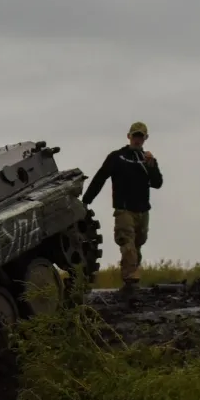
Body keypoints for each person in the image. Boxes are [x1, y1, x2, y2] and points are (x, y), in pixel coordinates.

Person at [81, 121, 163, 291]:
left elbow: (157, 183)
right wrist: (86, 201)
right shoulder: (117, 157)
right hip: (124, 209)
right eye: (135, 136)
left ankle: (130, 277)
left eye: (141, 137)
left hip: (143, 210)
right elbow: (100, 178)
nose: (137, 140)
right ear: (129, 136)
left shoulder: (147, 160)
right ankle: (131, 278)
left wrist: (152, 166)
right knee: (127, 242)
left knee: (138, 244)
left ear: (146, 138)